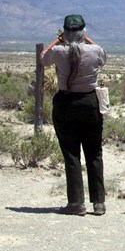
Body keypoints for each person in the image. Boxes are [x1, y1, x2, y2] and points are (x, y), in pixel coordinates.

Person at [40, 14, 107, 216]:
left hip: (66, 103)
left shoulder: (59, 51)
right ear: (84, 32)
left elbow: (43, 57)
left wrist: (59, 40)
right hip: (90, 103)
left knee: (71, 154)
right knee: (94, 153)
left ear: (66, 33)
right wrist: (86, 39)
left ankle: (76, 202)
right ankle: (99, 202)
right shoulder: (94, 50)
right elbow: (103, 56)